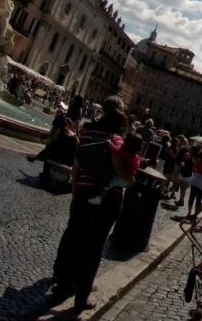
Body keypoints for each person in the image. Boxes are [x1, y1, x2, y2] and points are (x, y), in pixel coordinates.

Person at [49, 99, 141, 313]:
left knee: (74, 237)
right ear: (120, 126)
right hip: (108, 200)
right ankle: (81, 298)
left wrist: (75, 193)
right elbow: (123, 173)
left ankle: (61, 286)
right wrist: (130, 180)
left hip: (82, 193)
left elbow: (77, 166)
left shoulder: (87, 135)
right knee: (93, 248)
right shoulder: (117, 140)